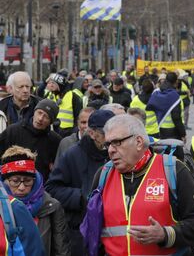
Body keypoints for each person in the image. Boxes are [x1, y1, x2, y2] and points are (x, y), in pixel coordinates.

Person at [87, 114, 194, 255]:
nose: (110, 150)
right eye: (108, 144)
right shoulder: (103, 175)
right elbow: (93, 227)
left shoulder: (173, 169)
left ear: (139, 142)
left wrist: (165, 234)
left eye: (117, 143)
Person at [46, 109, 114, 255]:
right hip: (81, 231)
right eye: (105, 133)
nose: (111, 138)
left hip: (112, 230)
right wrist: (82, 197)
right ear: (92, 133)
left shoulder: (117, 154)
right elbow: (52, 188)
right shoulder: (73, 154)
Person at [1, 146, 70, 255]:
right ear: (4, 181)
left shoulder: (51, 206)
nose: (22, 187)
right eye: (15, 181)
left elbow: (61, 250)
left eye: (28, 181)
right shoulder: (2, 207)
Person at [0, 99, 62, 181]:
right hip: (11, 185)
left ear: (51, 121)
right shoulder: (13, 131)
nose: (40, 118)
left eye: (46, 116)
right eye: (39, 113)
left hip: (41, 187)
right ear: (34, 112)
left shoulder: (55, 140)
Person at [147, 72, 186, 141]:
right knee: (175, 151)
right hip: (172, 131)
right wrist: (183, 134)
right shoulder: (174, 96)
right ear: (175, 81)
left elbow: (150, 107)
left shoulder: (157, 93)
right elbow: (176, 117)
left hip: (158, 129)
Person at [44, 71, 83, 137]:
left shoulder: (73, 96)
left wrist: (73, 132)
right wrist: (45, 81)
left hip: (68, 133)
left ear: (59, 85)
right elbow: (39, 92)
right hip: (53, 132)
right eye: (50, 83)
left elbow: (78, 117)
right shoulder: (50, 95)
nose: (51, 85)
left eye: (53, 83)